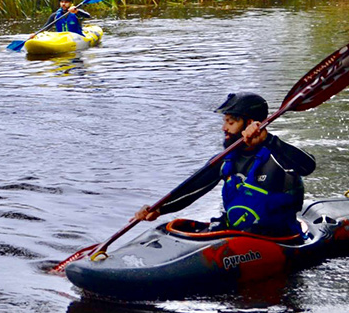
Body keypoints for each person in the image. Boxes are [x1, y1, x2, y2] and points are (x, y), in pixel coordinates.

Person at [134, 92, 316, 238]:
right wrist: (160, 209)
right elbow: (192, 190)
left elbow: (308, 166)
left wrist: (268, 140)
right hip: (237, 235)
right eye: (225, 121)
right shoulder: (225, 160)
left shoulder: (277, 154)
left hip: (278, 237)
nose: (224, 128)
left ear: (250, 123)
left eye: (231, 122)